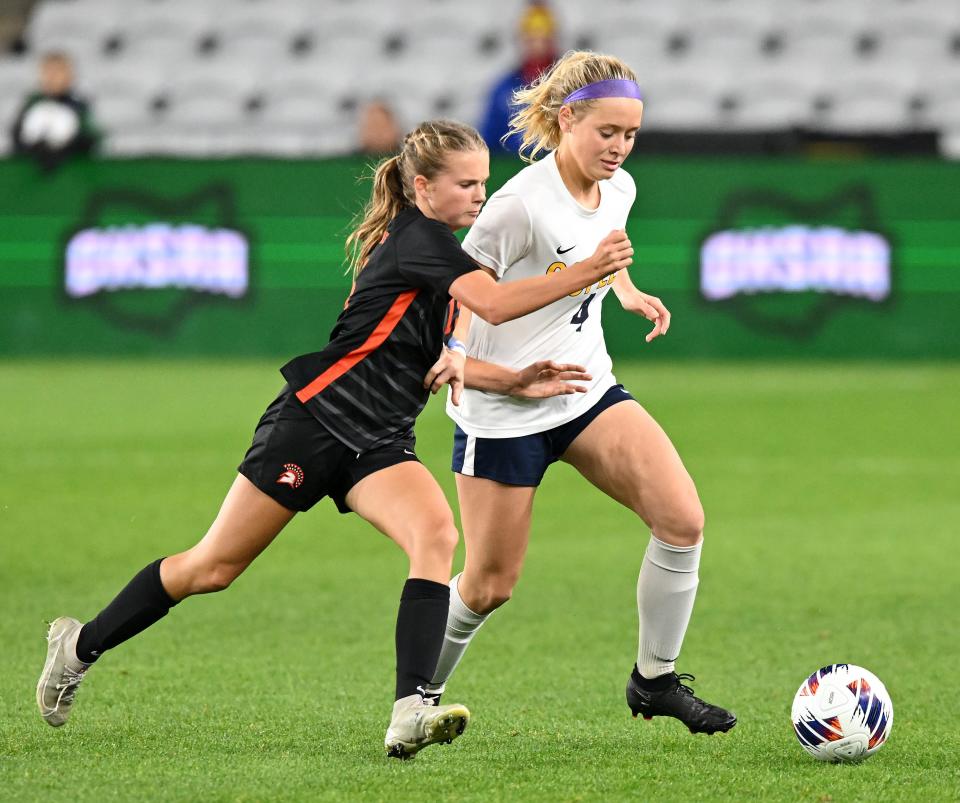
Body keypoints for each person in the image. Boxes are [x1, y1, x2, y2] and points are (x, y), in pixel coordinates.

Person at [35, 119, 631, 759]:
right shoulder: (421, 240)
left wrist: (509, 378)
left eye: (484, 181)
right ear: (423, 187)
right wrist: (587, 270)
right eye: (465, 184)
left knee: (435, 534)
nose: (479, 195)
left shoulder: (444, 254)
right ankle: (77, 646)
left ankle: (409, 710)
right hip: (315, 422)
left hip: (378, 439)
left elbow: (429, 362)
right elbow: (493, 305)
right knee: (211, 568)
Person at [423, 53, 738, 736]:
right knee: (487, 585)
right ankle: (415, 698)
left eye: (631, 135)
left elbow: (605, 248)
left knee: (683, 520)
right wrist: (474, 364)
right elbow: (468, 301)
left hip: (586, 389)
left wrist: (622, 289)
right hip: (503, 412)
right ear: (569, 120)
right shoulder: (518, 206)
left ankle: (654, 680)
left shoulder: (617, 187)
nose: (620, 148)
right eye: (607, 132)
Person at [478, 1, 557, 154]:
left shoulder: (572, 85)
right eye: (532, 39)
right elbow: (488, 145)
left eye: (543, 38)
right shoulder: (502, 89)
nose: (537, 45)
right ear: (522, 40)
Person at [10, 51, 99, 172]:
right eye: (47, 72)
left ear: (70, 75)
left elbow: (90, 140)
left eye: (58, 72)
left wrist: (63, 149)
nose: (52, 77)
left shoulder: (79, 106)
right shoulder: (32, 103)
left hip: (72, 173)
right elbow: (17, 137)